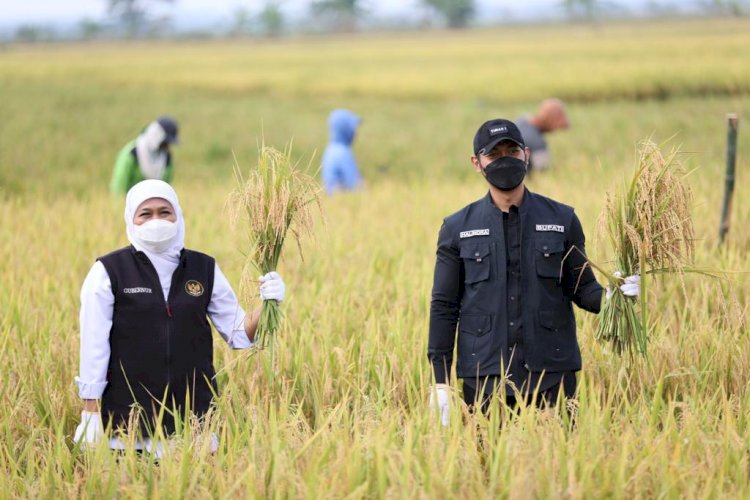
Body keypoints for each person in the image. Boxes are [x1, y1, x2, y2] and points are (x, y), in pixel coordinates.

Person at [427, 118, 638, 424]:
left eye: (511, 152)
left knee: (559, 466)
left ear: (525, 154)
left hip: (552, 375)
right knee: (488, 468)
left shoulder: (562, 219)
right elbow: (444, 307)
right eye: (494, 154)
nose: (504, 160)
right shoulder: (458, 228)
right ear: (477, 162)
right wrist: (440, 380)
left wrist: (615, 295)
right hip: (485, 375)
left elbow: (582, 289)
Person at [73, 180, 286, 454]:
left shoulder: (203, 268)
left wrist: (269, 302)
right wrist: (90, 414)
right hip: (128, 427)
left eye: (165, 212)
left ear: (178, 215)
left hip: (194, 425)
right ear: (131, 219)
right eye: (145, 214)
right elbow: (93, 345)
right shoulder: (108, 271)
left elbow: (239, 332)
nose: (156, 220)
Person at [110, 116, 180, 195]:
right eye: (165, 142)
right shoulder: (132, 153)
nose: (167, 146)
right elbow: (119, 185)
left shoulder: (167, 158)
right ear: (157, 137)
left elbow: (167, 185)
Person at [514, 98, 570, 173]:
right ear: (552, 121)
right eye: (557, 127)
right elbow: (543, 172)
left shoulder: (522, 120)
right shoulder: (538, 143)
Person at [321, 108, 363, 195]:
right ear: (345, 129)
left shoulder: (330, 149)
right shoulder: (342, 153)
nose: (355, 133)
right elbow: (356, 187)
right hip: (342, 203)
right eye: (352, 128)